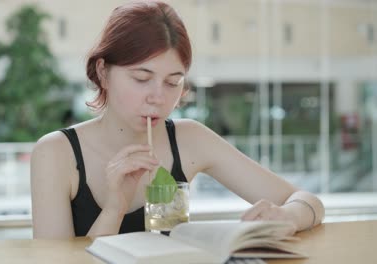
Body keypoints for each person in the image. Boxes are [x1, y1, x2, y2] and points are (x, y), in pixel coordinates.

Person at [30, 0, 324, 239]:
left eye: (173, 82)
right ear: (104, 72)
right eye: (142, 78)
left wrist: (288, 217)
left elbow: (307, 200)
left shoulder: (189, 139)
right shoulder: (56, 153)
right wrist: (114, 209)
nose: (158, 97)